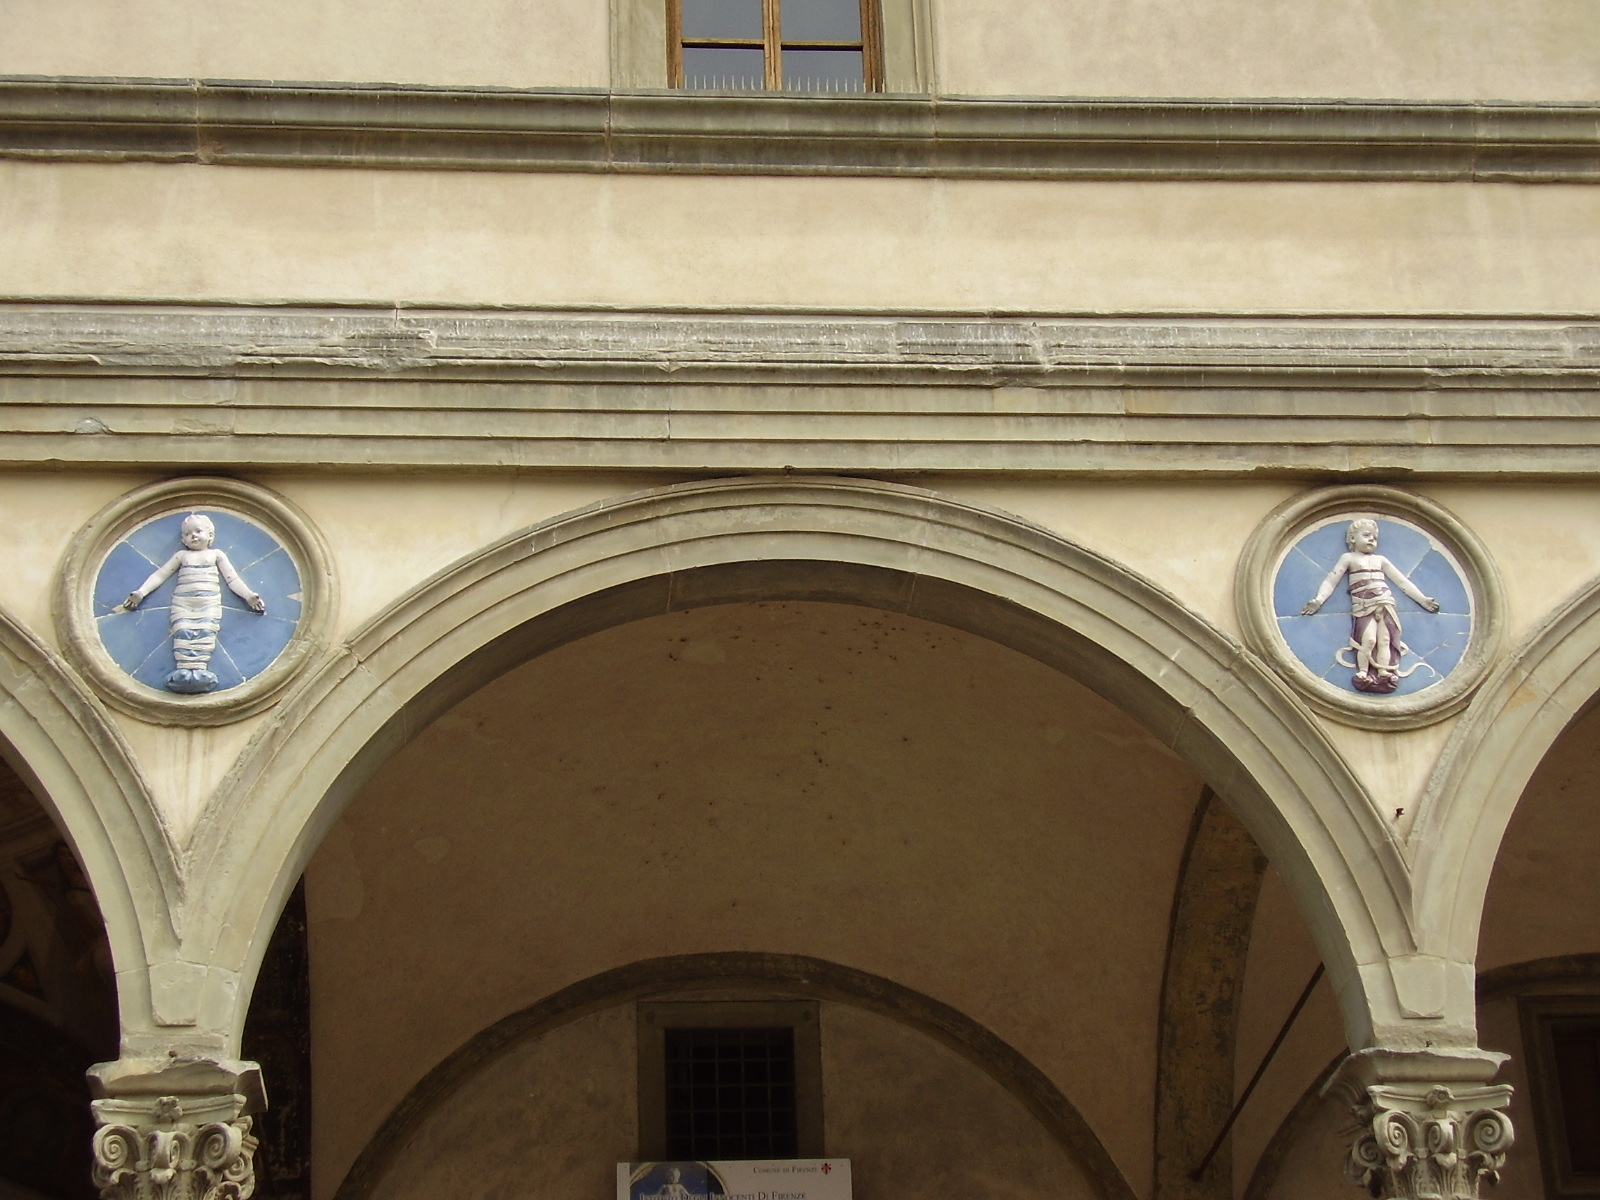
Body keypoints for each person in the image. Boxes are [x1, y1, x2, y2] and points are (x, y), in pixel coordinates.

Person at [120, 513, 265, 693]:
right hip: (183, 603)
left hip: (208, 602)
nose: (193, 535)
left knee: (206, 631)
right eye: (188, 533)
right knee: (182, 631)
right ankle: (183, 670)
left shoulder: (215, 555)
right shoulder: (181, 556)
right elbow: (160, 575)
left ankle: (200, 671)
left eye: (198, 531)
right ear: (183, 539)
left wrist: (248, 596)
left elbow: (232, 579)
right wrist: (141, 593)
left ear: (210, 535)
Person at [1301, 518, 1439, 694]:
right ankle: (1363, 672)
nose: (1371, 540)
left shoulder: (1380, 560)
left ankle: (1383, 671)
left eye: (1374, 537)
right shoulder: (1348, 558)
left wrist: (1423, 600)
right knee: (1369, 640)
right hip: (1364, 605)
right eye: (1366, 535)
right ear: (1352, 538)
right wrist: (1319, 600)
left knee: (1385, 641)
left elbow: (1401, 581)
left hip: (1385, 603)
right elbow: (1331, 580)